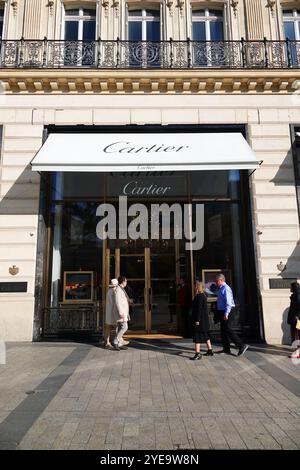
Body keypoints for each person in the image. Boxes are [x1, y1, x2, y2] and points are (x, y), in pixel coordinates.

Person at [215, 273, 248, 356]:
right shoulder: (220, 288)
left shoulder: (226, 288)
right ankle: (226, 349)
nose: (216, 282)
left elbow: (229, 303)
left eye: (216, 281)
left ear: (221, 280)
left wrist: (226, 313)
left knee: (228, 329)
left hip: (228, 311)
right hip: (222, 311)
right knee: (223, 330)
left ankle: (241, 345)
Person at [191, 281, 213, 360]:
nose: (194, 288)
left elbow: (199, 309)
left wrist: (197, 319)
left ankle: (197, 353)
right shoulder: (204, 295)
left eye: (195, 286)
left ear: (198, 287)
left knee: (197, 336)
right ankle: (210, 350)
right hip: (204, 320)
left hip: (200, 320)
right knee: (205, 334)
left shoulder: (199, 296)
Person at [113, 276, 131, 351]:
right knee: (125, 327)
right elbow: (118, 302)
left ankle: (119, 343)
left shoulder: (122, 289)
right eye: (126, 281)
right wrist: (121, 312)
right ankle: (115, 341)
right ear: (123, 282)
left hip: (124, 312)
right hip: (121, 313)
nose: (126, 282)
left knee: (121, 327)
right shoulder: (118, 290)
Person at [102, 278, 119, 349]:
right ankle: (114, 342)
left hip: (109, 312)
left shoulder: (109, 291)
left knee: (108, 327)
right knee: (116, 327)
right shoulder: (113, 292)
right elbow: (114, 303)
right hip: (113, 312)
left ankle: (107, 342)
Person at [287, 282, 300, 357]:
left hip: (297, 320)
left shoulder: (297, 296)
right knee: (296, 335)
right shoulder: (295, 296)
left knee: (297, 335)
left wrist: (297, 316)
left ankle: (297, 353)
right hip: (294, 319)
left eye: (291, 287)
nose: (290, 288)